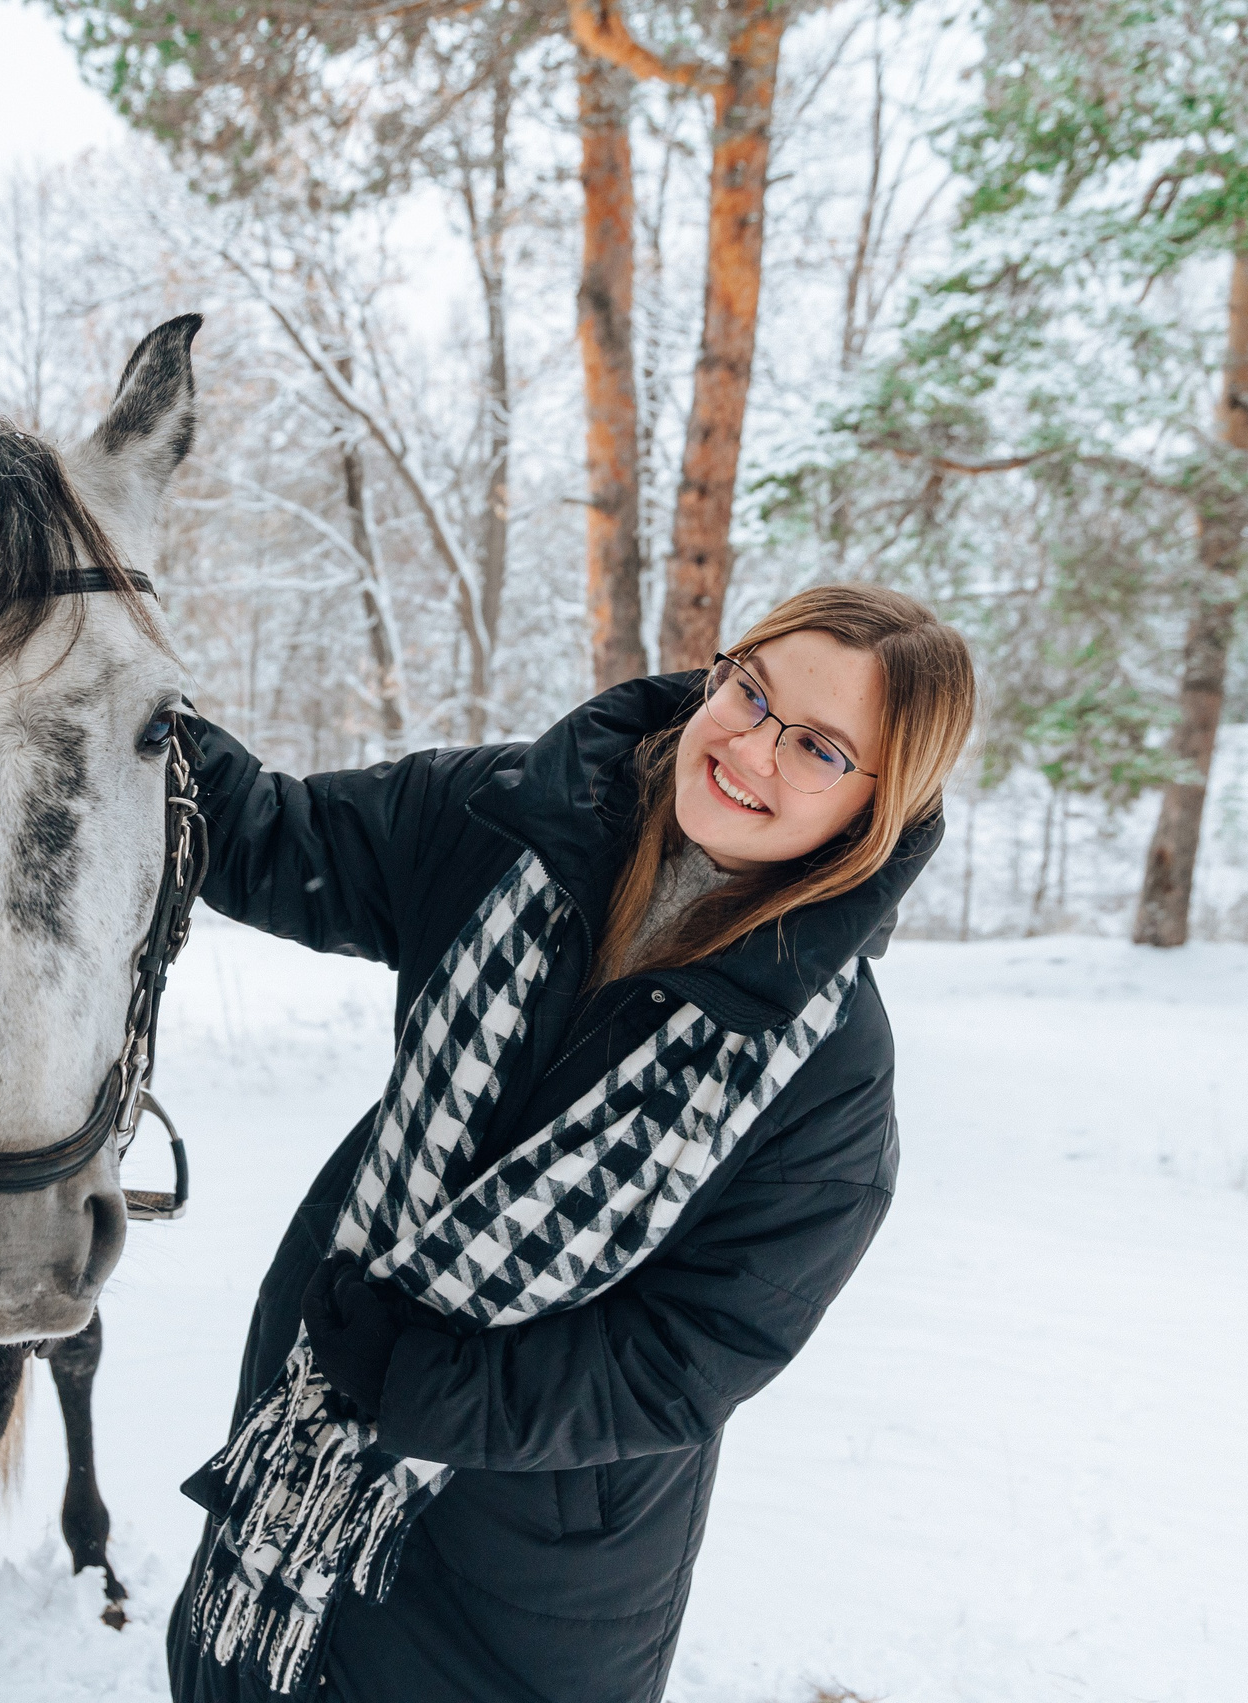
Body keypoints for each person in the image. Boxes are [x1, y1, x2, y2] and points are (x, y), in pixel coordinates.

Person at [165, 585, 977, 1703]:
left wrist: (417, 1381)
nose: (751, 746)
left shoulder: (829, 1076)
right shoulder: (516, 816)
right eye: (749, 690)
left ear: (876, 809)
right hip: (301, 1439)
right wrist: (99, 679)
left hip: (530, 1573)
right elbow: (272, 838)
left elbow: (679, 1363)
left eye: (819, 746)